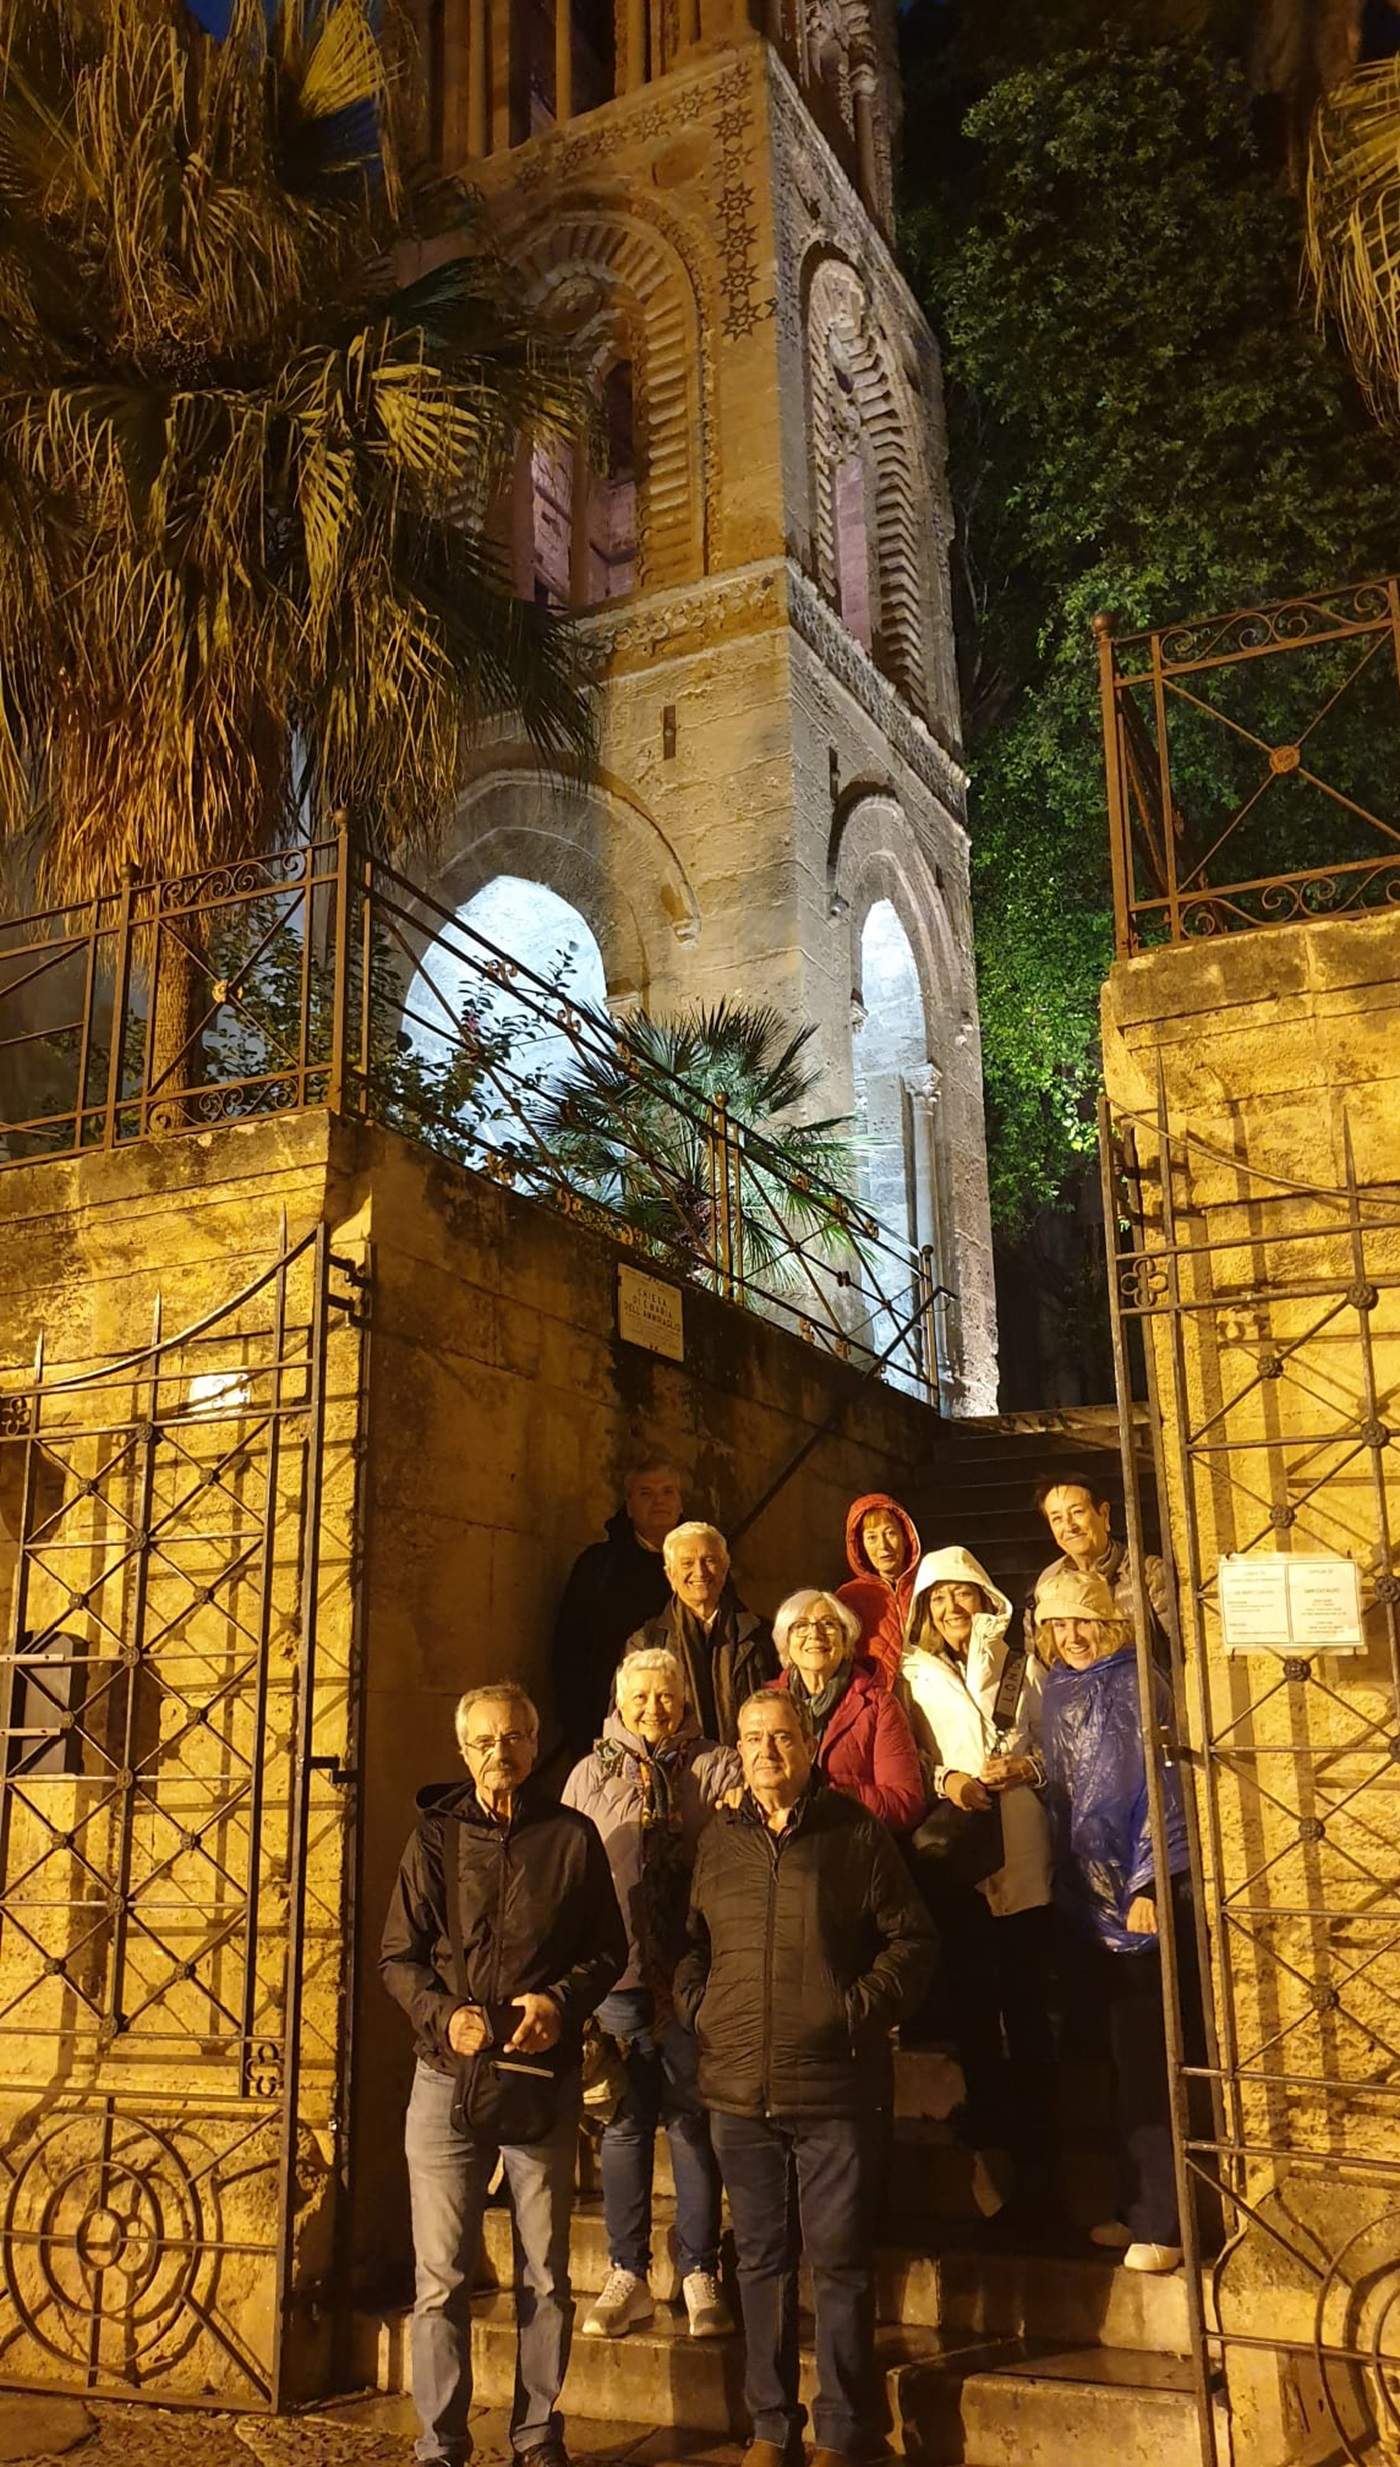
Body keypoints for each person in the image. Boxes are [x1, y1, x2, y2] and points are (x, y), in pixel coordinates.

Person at [676, 1691, 935, 2467]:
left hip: (834, 2087)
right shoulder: (719, 1840)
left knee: (840, 2259)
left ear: (808, 1743)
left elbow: (912, 1940)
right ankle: (770, 2425)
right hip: (738, 2088)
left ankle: (846, 2430)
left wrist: (854, 2009)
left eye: (780, 1735)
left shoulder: (853, 1833)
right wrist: (702, 2008)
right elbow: (690, 1945)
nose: (765, 1750)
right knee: (758, 2259)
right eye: (752, 1737)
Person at [381, 1683, 628, 2467]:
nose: (501, 1753)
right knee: (441, 2276)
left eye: (516, 1736)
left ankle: (536, 2432)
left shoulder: (573, 1836)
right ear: (463, 1750)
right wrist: (441, 2014)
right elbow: (399, 1956)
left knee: (547, 2274)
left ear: (535, 1740)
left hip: (537, 2077)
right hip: (444, 2078)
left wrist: (560, 2000)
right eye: (485, 1741)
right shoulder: (434, 1839)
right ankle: (439, 2442)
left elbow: (607, 1949)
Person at [561, 1646, 739, 2343]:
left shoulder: (715, 1764)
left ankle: (700, 2267)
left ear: (684, 1701)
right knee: (628, 2121)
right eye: (639, 1698)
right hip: (620, 1972)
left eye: (665, 1696)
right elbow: (572, 1872)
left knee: (692, 2119)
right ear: (619, 1702)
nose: (653, 1709)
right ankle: (626, 2268)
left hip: (693, 1971)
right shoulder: (589, 1772)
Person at [1036, 1566, 1198, 2276]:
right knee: (1112, 2065)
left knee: (1148, 2062)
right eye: (1059, 1623)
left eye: (1084, 1622)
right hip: (1085, 1899)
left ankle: (1167, 2218)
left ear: (1111, 1623)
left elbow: (1159, 1783)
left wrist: (1151, 1877)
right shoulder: (1060, 1690)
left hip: (1133, 1897)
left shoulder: (1138, 1683)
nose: (1071, 1636)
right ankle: (1136, 2205)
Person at [900, 1545, 1056, 2219]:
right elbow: (917, 1753)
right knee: (971, 1996)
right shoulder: (914, 1674)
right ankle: (989, 2125)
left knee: (1024, 1994)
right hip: (958, 1848)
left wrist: (1028, 1768)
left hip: (1019, 1841)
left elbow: (1058, 1742)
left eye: (962, 1593)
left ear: (984, 1596)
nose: (952, 1607)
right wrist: (950, 1781)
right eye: (938, 1598)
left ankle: (1038, 2138)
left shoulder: (1024, 1663)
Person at [552, 1457, 684, 1765]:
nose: (658, 1501)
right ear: (629, 1506)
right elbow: (569, 1651)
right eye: (646, 1493)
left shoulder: (705, 1563)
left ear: (679, 1504)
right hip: (608, 1727)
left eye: (667, 1492)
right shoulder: (599, 1567)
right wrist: (580, 1730)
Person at [767, 1588, 925, 1833]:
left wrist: (836, 1799)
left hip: (849, 1842)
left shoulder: (878, 1705)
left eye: (828, 1624)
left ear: (845, 1640)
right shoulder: (764, 1705)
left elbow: (905, 1803)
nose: (815, 1634)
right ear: (785, 1642)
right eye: (800, 1626)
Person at [626, 1521, 777, 1748]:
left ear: (725, 1569)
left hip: (749, 1768)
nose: (700, 1571)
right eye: (687, 1563)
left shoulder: (761, 1636)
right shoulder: (646, 1643)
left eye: (709, 1560)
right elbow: (629, 1720)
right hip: (677, 1772)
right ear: (670, 1574)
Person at [1032, 1476, 1170, 1651]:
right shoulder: (1048, 1582)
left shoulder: (1148, 1573)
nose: (1069, 1526)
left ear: (1104, 1514)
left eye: (1077, 1512)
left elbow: (1181, 1651)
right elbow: (1040, 1659)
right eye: (1057, 1518)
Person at [835, 1493, 922, 1690]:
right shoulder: (848, 1596)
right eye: (872, 1537)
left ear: (906, 1537)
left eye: (890, 1533)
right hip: (879, 1703)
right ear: (860, 1546)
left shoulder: (929, 1582)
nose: (883, 1545)